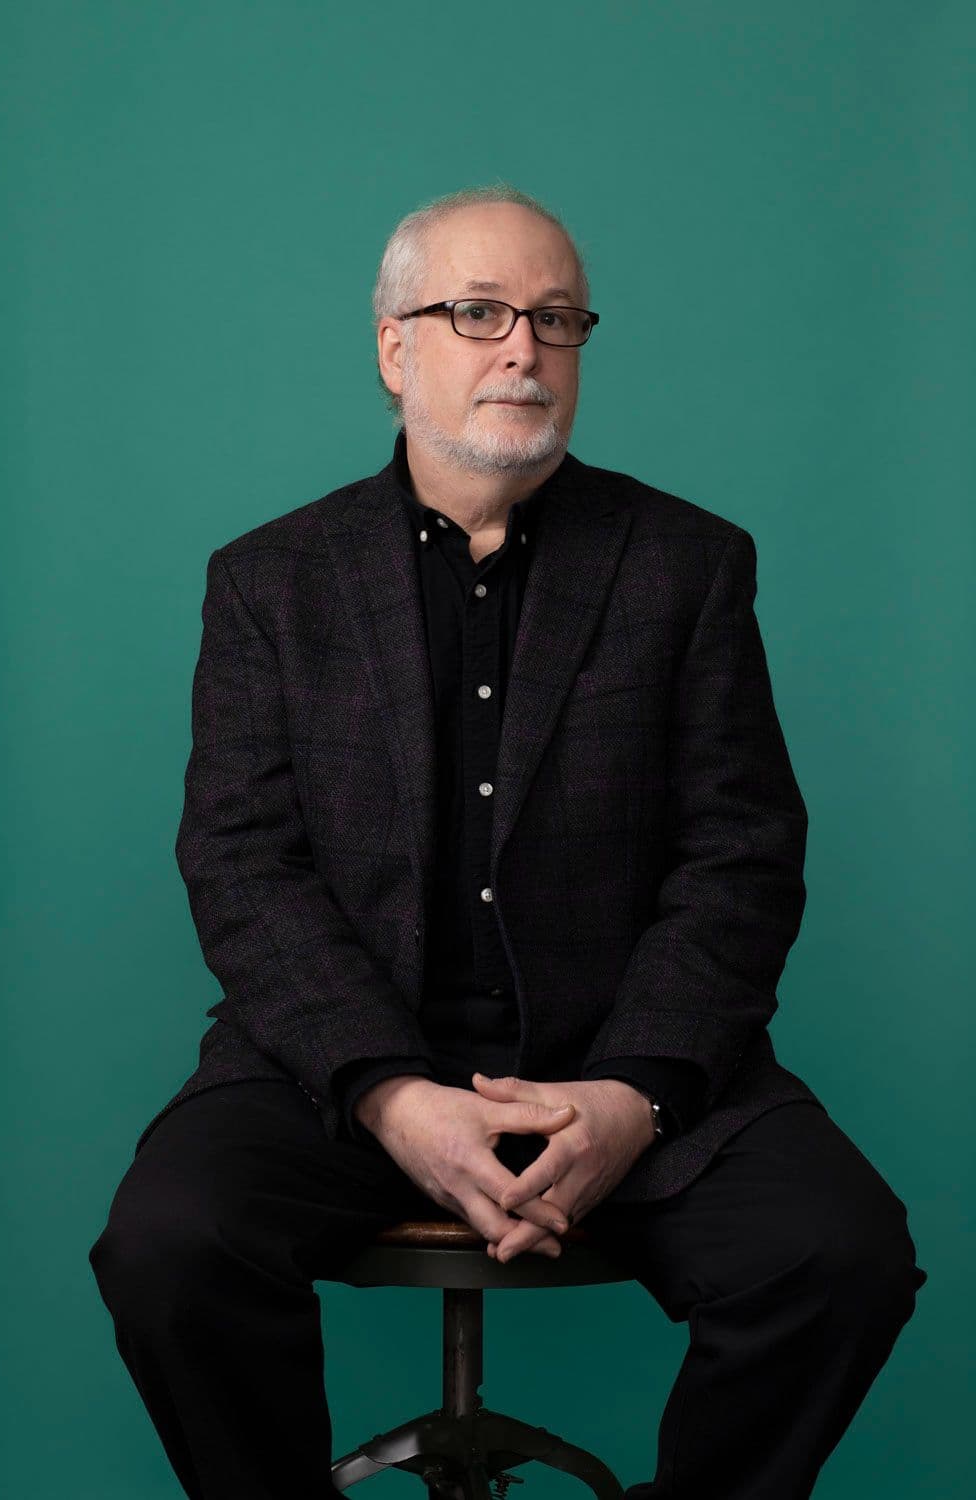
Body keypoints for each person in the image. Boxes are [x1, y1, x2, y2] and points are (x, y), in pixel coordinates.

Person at [88, 185, 927, 1499]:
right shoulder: (271, 581)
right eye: (476, 313)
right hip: (344, 1070)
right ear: (393, 348)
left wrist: (634, 1096)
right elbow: (245, 868)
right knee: (168, 1245)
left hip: (615, 1062)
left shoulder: (689, 564)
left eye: (555, 319)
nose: (522, 350)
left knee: (841, 1252)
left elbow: (741, 858)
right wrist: (386, 1093)